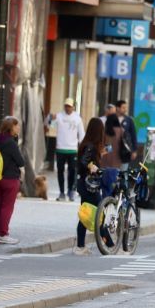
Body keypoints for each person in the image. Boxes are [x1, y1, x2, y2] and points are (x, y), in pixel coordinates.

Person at [0, 116, 26, 245]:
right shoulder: (10, 143)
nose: (19, 128)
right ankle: (3, 234)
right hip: (10, 178)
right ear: (11, 128)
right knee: (7, 208)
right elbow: (21, 161)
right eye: (17, 126)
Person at [73, 118, 106, 256]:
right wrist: (91, 166)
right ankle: (108, 242)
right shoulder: (91, 146)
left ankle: (80, 246)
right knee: (99, 212)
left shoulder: (87, 144)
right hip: (89, 185)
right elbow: (83, 161)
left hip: (84, 184)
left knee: (86, 214)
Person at [54, 97, 84, 201]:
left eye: (69, 106)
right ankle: (61, 192)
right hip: (60, 148)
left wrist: (82, 147)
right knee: (60, 171)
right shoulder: (58, 116)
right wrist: (49, 120)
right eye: (66, 106)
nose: (67, 108)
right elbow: (51, 125)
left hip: (72, 149)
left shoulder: (77, 118)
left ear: (73, 107)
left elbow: (81, 134)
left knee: (72, 171)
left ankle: (71, 191)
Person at [115, 100, 137, 165]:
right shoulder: (112, 119)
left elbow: (133, 135)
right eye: (123, 107)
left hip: (125, 151)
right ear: (118, 108)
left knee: (123, 172)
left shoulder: (129, 120)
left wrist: (134, 150)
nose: (125, 109)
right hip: (113, 151)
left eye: (126, 108)